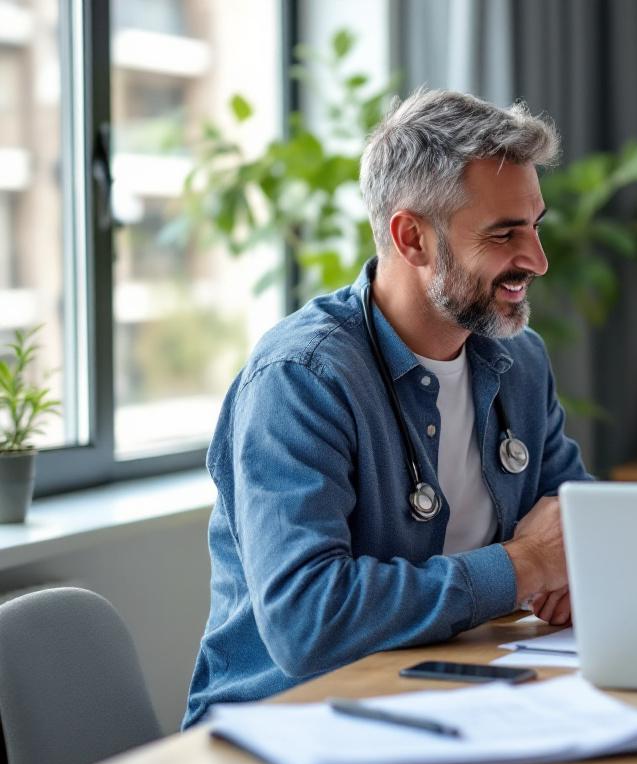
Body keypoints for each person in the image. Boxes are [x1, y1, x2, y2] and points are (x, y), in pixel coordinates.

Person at [183, 89, 587, 727]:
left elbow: (577, 525)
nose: (536, 259)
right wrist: (527, 564)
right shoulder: (302, 379)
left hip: (454, 697)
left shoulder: (520, 362)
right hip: (290, 726)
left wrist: (577, 567)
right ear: (412, 237)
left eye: (535, 226)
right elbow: (308, 621)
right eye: (504, 234)